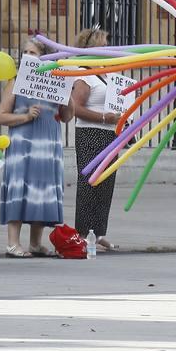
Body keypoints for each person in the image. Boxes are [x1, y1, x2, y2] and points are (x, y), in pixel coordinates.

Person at [0, 38, 66, 258]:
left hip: (47, 143)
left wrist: (69, 97)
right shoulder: (15, 81)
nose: (28, 56)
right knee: (20, 188)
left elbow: (67, 116)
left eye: (33, 52)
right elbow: (1, 116)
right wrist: (25, 116)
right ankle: (13, 243)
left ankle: (35, 243)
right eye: (25, 52)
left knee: (42, 190)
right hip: (23, 143)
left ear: (44, 57)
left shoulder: (55, 81)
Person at [67, 27, 126, 252]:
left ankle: (98, 231)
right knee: (89, 183)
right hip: (91, 132)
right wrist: (104, 117)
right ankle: (83, 232)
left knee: (105, 184)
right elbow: (76, 108)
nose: (105, 48)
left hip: (109, 133)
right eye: (100, 45)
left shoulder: (108, 74)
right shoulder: (84, 75)